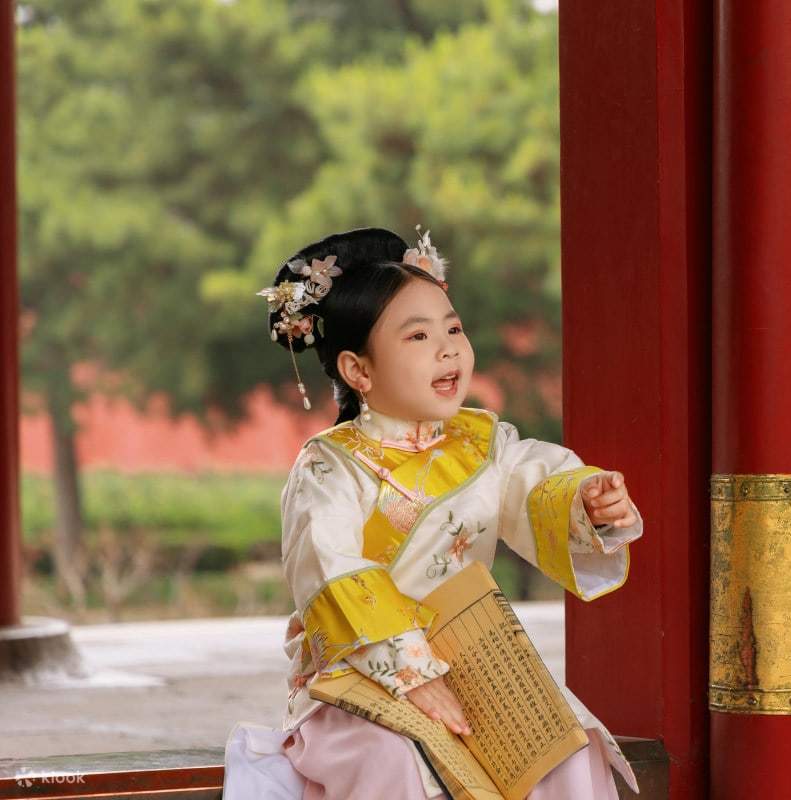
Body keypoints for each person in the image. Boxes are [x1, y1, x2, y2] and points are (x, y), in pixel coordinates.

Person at [222, 227, 643, 799]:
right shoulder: (330, 466)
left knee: (563, 746)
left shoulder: (480, 440)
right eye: (418, 335)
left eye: (454, 328)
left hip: (476, 663)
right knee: (398, 758)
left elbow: (533, 479)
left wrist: (587, 501)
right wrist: (411, 675)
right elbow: (331, 567)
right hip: (361, 677)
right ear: (359, 371)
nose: (448, 349)